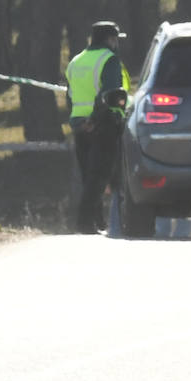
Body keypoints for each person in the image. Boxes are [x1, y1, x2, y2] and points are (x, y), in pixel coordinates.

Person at [65, 21, 130, 234]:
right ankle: (85, 223)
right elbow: (111, 94)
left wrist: (80, 121)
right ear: (109, 39)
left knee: (87, 176)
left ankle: (98, 221)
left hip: (79, 123)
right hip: (103, 123)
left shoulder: (76, 61)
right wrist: (97, 118)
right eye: (115, 40)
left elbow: (70, 95)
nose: (116, 44)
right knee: (100, 175)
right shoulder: (109, 60)